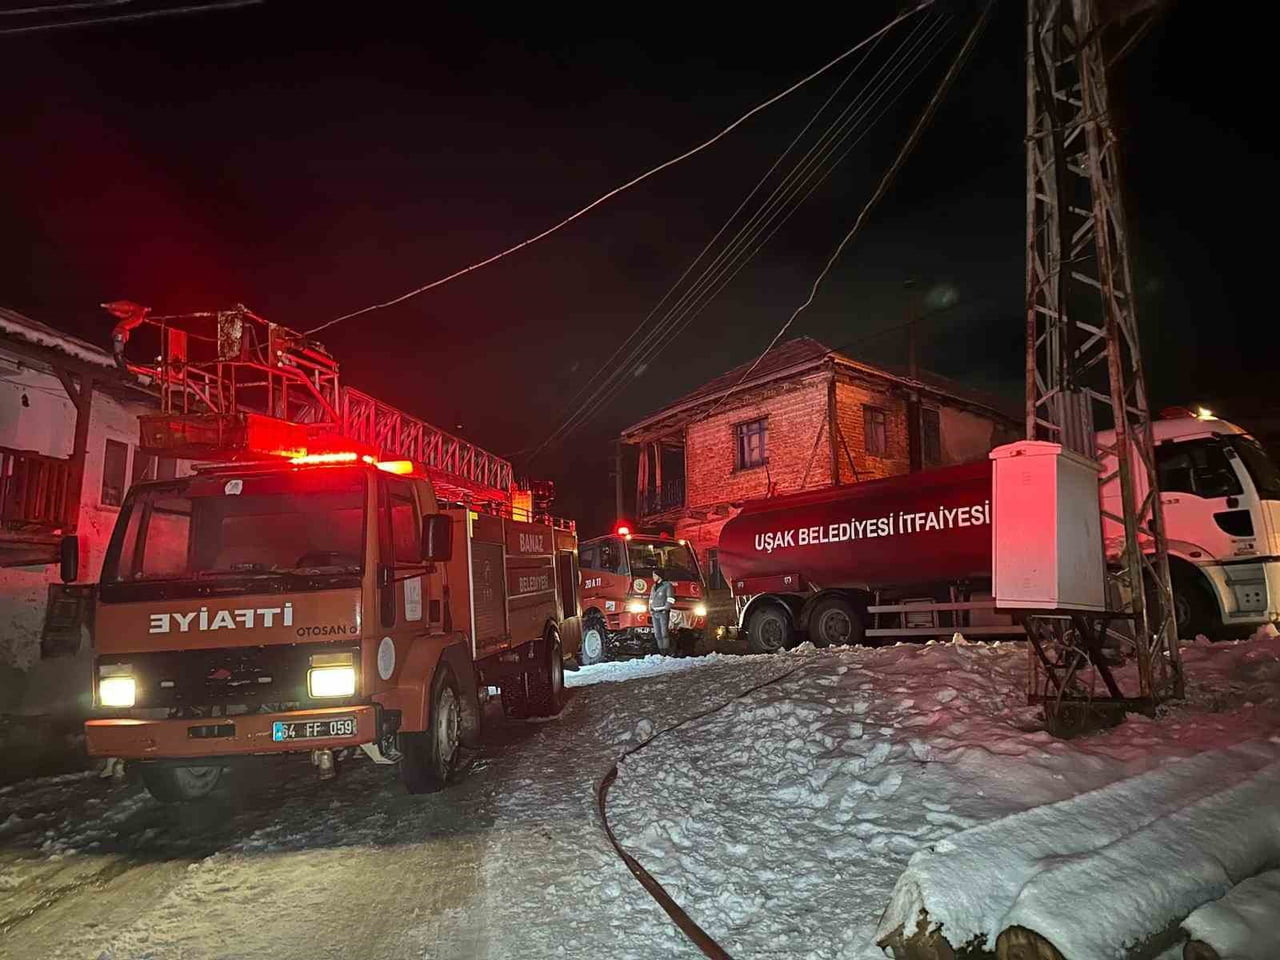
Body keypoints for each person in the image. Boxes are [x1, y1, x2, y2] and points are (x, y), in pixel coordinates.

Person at [648, 571, 676, 655]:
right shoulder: (654, 587)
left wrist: (666, 608)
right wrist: (650, 608)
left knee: (664, 632)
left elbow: (670, 598)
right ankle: (661, 650)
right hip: (654, 612)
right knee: (657, 633)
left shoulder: (667, 585)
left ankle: (665, 651)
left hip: (663, 612)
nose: (653, 577)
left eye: (654, 575)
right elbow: (651, 598)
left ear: (659, 576)